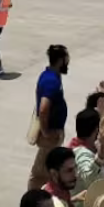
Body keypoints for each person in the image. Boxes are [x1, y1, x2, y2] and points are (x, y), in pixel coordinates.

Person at [30, 45, 71, 191]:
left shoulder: (51, 76)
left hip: (53, 132)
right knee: (41, 174)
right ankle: (34, 202)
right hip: (50, 135)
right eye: (66, 59)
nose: (68, 62)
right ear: (60, 60)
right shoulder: (51, 81)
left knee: (49, 172)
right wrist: (46, 132)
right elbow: (43, 108)